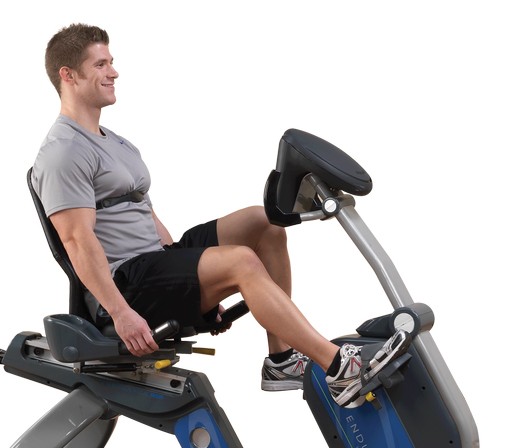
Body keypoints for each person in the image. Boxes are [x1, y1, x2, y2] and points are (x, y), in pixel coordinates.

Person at [31, 23, 409, 408]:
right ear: (69, 75)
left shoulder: (115, 142)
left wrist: (196, 277)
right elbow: (77, 241)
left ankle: (281, 361)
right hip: (126, 284)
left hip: (154, 263)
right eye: (100, 65)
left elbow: (145, 212)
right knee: (241, 261)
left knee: (264, 222)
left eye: (111, 62)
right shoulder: (64, 151)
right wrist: (120, 313)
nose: (113, 72)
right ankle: (338, 366)